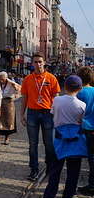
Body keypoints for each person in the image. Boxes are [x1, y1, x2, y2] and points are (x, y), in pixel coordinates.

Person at [40, 75, 86, 198]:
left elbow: (53, 114)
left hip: (60, 138)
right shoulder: (82, 105)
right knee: (73, 172)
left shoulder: (58, 100)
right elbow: (80, 120)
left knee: (55, 169)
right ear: (80, 89)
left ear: (64, 86)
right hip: (76, 140)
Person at [20, 52, 60, 181]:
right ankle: (34, 169)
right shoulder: (27, 79)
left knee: (49, 143)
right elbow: (24, 97)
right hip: (32, 113)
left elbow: (56, 97)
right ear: (32, 63)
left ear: (44, 63)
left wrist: (56, 112)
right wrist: (21, 114)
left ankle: (49, 166)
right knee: (33, 144)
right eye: (35, 62)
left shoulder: (51, 78)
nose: (38, 64)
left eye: (40, 62)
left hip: (48, 114)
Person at [76, 66, 94, 196]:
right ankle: (92, 183)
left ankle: (77, 183)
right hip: (93, 127)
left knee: (78, 157)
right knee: (92, 158)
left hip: (83, 127)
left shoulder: (79, 93)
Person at [0, 71, 21, 145]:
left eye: (3, 79)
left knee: (9, 120)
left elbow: (17, 93)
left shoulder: (11, 84)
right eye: (0, 79)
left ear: (6, 78)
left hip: (8, 102)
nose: (1, 81)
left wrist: (15, 88)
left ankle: (7, 138)